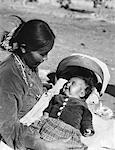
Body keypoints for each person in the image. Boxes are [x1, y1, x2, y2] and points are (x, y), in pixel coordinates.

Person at [0, 16, 74, 150]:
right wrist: (46, 146)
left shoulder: (27, 63)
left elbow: (29, 89)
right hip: (18, 131)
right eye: (42, 54)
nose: (46, 58)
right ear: (23, 48)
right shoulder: (9, 76)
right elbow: (8, 127)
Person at [33, 75, 96, 150]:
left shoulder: (82, 105)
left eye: (73, 84)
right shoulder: (57, 97)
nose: (67, 84)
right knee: (40, 139)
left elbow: (87, 118)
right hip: (50, 124)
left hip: (69, 130)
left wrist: (87, 128)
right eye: (68, 82)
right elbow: (49, 107)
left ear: (82, 93)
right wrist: (45, 115)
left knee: (69, 145)